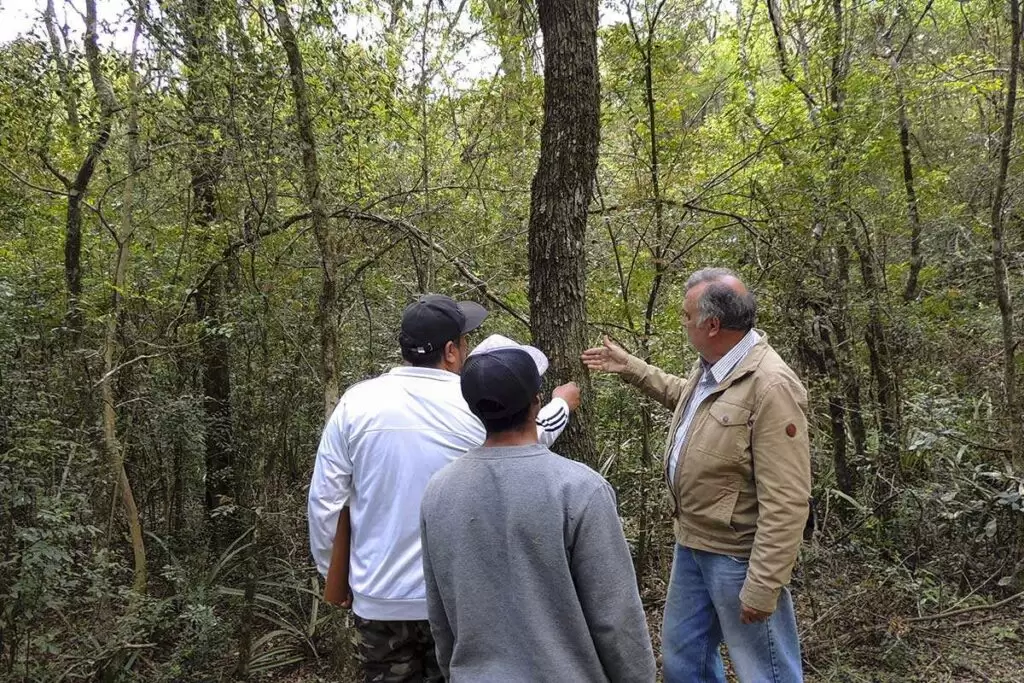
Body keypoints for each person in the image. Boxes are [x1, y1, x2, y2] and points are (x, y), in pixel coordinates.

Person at [308, 295, 580, 683]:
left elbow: (325, 502)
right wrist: (562, 404)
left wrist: (335, 572)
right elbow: (529, 439)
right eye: (465, 341)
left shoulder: (356, 403)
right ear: (452, 351)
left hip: (378, 598)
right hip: (457, 600)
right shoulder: (471, 402)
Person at [581, 268, 810, 683]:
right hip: (693, 543)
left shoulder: (771, 386)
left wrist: (763, 584)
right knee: (685, 657)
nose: (684, 324)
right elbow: (686, 401)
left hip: (738, 557)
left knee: (766, 671)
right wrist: (631, 367)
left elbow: (788, 499)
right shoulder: (713, 366)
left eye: (687, 317)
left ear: (712, 324)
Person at [420, 335, 657, 683]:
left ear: (474, 407)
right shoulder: (580, 490)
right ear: (536, 401)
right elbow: (616, 618)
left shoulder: (439, 491)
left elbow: (440, 617)